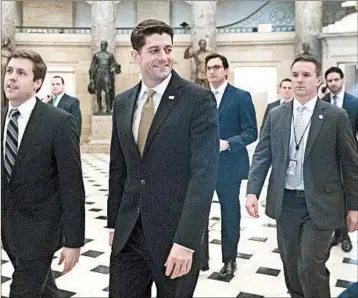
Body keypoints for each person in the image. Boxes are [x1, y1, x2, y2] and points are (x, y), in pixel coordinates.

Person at [107, 19, 219, 298]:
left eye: (168, 49)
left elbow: (203, 176)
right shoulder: (122, 101)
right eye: (154, 50)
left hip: (174, 237)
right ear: (136, 56)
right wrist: (113, 223)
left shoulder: (197, 100)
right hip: (129, 235)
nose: (164, 57)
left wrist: (187, 242)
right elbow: (118, 168)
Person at [246, 55, 358, 298]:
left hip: (320, 203)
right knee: (291, 264)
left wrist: (354, 207)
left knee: (310, 264)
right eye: (295, 75)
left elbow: (350, 165)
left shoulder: (335, 116)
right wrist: (252, 190)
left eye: (306, 75)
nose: (299, 80)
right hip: (285, 203)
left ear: (319, 80)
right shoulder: (276, 114)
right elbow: (262, 154)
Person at [1, 50, 85, 297]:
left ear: (37, 83)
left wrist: (73, 241)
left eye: (21, 73)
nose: (11, 78)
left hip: (41, 232)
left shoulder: (59, 122)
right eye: (9, 71)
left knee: (23, 290)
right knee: (45, 290)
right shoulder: (1, 118)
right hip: (8, 230)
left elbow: (72, 185)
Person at [200, 53, 257, 278]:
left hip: (229, 166)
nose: (212, 71)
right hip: (202, 167)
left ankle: (229, 260)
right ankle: (200, 260)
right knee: (198, 213)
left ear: (226, 70)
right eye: (209, 68)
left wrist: (229, 143)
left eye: (216, 67)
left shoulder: (241, 97)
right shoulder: (200, 97)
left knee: (230, 214)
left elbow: (251, 132)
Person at [322, 66, 358, 252]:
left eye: (336, 79)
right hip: (328, 159)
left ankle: (345, 236)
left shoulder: (354, 103)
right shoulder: (323, 101)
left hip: (348, 158)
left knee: (346, 196)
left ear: (342, 79)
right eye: (330, 80)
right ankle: (336, 233)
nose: (333, 83)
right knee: (333, 197)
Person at [89, 40, 121, 114]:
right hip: (99, 73)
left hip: (106, 73)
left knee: (107, 91)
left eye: (104, 45)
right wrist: (91, 79)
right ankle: (100, 108)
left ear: (106, 46)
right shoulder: (97, 55)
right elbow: (92, 67)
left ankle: (108, 108)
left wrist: (115, 67)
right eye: (101, 45)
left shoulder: (109, 55)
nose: (102, 46)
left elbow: (114, 64)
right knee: (98, 92)